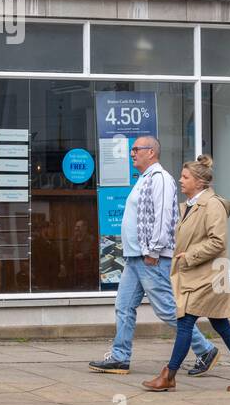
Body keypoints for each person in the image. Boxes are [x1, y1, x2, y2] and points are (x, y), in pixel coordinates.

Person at [89, 136, 219, 376]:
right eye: (132, 150)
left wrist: (154, 251)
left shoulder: (160, 179)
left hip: (150, 257)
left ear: (151, 152)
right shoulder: (144, 179)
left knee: (167, 309)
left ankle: (205, 349)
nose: (132, 153)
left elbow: (162, 217)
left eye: (136, 149)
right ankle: (120, 357)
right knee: (124, 306)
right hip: (135, 257)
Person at [143, 155, 230, 392]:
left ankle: (169, 375)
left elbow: (218, 241)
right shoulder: (189, 206)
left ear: (199, 182)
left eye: (185, 177)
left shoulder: (212, 205)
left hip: (207, 276)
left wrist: (190, 255)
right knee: (221, 325)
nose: (180, 180)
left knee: (185, 323)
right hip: (196, 275)